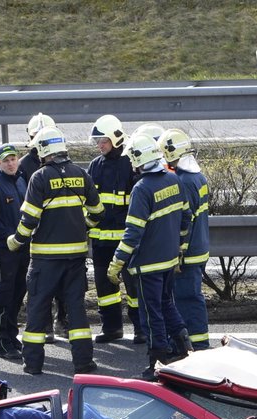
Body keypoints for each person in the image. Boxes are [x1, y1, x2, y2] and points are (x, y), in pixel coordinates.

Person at [7, 126, 104, 375]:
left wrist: (16, 241)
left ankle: (33, 364)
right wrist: (83, 227)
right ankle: (83, 362)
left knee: (38, 309)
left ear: (43, 150)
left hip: (45, 260)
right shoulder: (81, 174)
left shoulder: (39, 177)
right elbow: (98, 213)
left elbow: (29, 219)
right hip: (75, 259)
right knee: (76, 310)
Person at [108, 132, 193, 380]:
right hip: (168, 260)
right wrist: (179, 248)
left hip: (147, 265)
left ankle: (158, 360)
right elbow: (186, 219)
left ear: (138, 158)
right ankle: (183, 346)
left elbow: (132, 232)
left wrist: (117, 263)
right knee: (167, 304)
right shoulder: (174, 180)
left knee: (151, 312)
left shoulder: (142, 189)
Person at [87, 115, 144, 345]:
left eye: (104, 141)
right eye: (98, 141)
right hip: (101, 241)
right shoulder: (95, 165)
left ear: (116, 139)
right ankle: (111, 327)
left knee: (134, 287)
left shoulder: (130, 163)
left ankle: (142, 328)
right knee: (105, 287)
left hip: (126, 240)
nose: (100, 145)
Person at [18, 112, 66, 343]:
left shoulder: (63, 162)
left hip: (59, 230)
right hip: (36, 234)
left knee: (64, 284)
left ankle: (63, 321)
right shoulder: (24, 166)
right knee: (40, 285)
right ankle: (45, 325)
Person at [161, 128, 211, 350]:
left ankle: (197, 346)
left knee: (188, 298)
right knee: (188, 298)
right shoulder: (196, 176)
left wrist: (178, 252)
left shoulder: (184, 181)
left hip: (188, 254)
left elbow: (185, 222)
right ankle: (190, 342)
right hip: (199, 248)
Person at [0, 143, 29, 360]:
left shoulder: (21, 180)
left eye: (13, 159)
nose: (11, 163)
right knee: (3, 295)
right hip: (3, 249)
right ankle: (3, 343)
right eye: (6, 160)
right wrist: (9, 237)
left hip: (22, 247)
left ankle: (12, 336)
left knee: (19, 293)